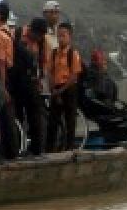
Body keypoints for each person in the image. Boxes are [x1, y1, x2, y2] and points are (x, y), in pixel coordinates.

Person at [8, 17, 49, 157]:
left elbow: (42, 62)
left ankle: (36, 149)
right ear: (32, 30)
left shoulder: (42, 42)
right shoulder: (17, 34)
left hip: (31, 81)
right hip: (16, 81)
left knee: (35, 115)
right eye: (38, 35)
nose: (39, 38)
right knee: (17, 115)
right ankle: (18, 147)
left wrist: (39, 79)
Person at [47, 21, 83, 152]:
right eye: (59, 36)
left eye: (63, 36)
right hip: (56, 88)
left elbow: (74, 76)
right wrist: (53, 90)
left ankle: (70, 148)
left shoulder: (73, 54)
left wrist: (61, 91)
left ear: (70, 37)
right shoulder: (53, 53)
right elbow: (49, 72)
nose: (61, 39)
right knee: (52, 121)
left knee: (70, 120)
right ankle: (49, 149)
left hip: (69, 89)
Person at [0, 2, 17, 160]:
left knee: (2, 117)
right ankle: (11, 151)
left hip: (3, 79)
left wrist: (2, 86)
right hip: (10, 77)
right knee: (8, 116)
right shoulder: (9, 32)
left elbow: (0, 63)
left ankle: (5, 153)